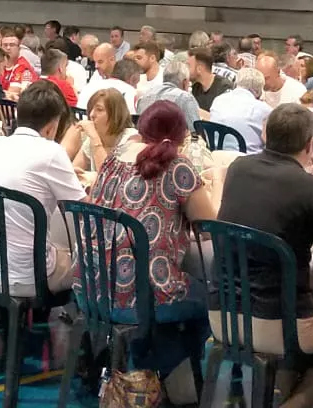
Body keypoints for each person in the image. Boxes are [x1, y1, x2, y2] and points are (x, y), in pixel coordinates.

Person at [91, 98, 217, 403]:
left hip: (95, 287)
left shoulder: (113, 159)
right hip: (144, 295)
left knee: (174, 299)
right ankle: (172, 375)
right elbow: (208, 224)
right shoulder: (177, 166)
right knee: (210, 298)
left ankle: (153, 366)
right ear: (178, 136)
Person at [215, 103, 313, 408]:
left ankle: (273, 390)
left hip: (223, 312)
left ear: (265, 135)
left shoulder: (237, 169)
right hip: (281, 321)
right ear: (310, 144)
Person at [0, 83, 85, 294]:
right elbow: (84, 212)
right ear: (51, 126)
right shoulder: (51, 151)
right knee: (86, 261)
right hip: (30, 277)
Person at [66, 86, 134, 177]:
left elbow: (109, 179)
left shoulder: (131, 139)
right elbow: (73, 171)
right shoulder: (93, 138)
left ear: (115, 114)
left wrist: (94, 138)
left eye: (99, 110)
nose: (91, 115)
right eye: (91, 109)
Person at [257, 44, 306, 108]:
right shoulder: (257, 91)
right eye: (260, 78)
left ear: (278, 72)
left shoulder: (297, 90)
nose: (263, 82)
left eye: (266, 78)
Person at [187, 44, 231, 110]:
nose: (186, 70)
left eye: (188, 66)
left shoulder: (224, 87)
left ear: (199, 68)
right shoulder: (195, 88)